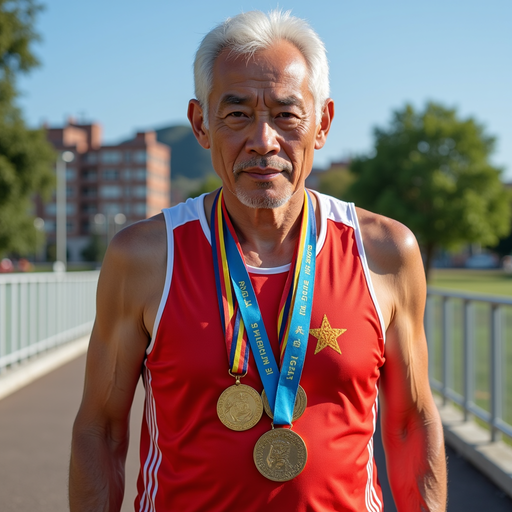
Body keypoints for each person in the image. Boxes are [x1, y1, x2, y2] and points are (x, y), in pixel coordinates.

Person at [69, 10, 447, 512]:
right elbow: (102, 429)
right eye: (237, 113)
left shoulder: (383, 251)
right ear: (202, 124)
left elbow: (410, 423)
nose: (263, 140)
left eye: (287, 114)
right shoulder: (145, 256)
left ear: (323, 124)